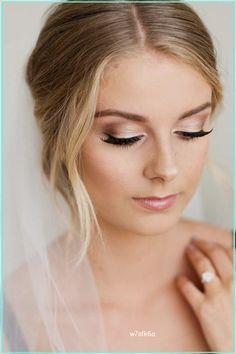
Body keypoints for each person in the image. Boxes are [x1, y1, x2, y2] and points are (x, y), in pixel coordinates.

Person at [3, 1, 234, 352]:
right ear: (59, 138)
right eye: (124, 136)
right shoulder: (19, 317)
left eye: (191, 131)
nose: (166, 168)